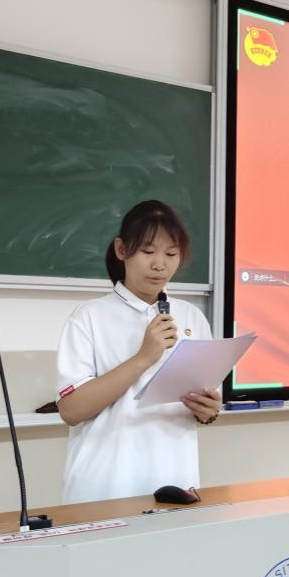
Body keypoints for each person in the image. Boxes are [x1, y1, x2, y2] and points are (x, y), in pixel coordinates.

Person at [55, 200, 222, 504]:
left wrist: (207, 411)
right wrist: (144, 357)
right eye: (148, 251)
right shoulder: (89, 316)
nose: (160, 264)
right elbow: (71, 410)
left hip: (175, 481)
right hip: (105, 486)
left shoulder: (192, 316)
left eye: (171, 254)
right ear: (122, 250)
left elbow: (203, 404)